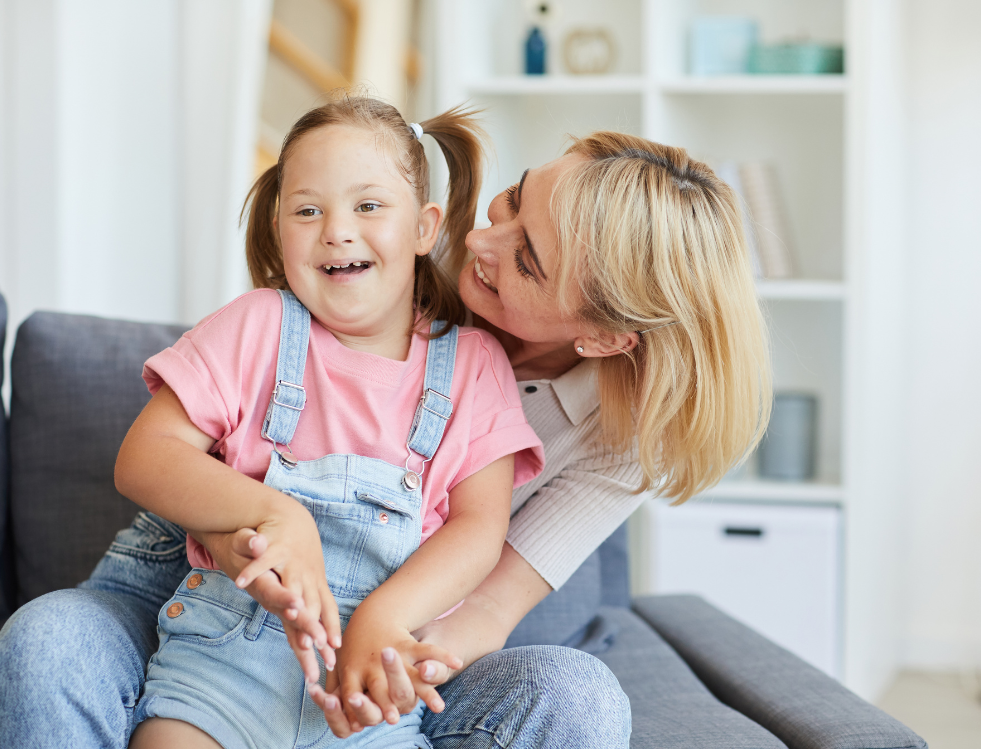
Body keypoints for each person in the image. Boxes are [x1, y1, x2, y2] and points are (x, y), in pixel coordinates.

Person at [0, 125, 771, 747]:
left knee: (580, 698)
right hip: (208, 575)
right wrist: (255, 524)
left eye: (527, 258)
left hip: (398, 616)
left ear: (605, 338)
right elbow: (176, 446)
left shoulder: (579, 421)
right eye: (509, 201)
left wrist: (381, 655)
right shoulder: (359, 267)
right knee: (48, 638)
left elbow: (483, 592)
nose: (479, 243)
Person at [113, 95, 545, 748]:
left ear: (425, 229)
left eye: (367, 205)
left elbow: (479, 526)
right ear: (279, 227)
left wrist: (384, 615)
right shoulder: (255, 324)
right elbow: (146, 456)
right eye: (307, 210)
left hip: (368, 685)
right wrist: (280, 515)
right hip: (220, 666)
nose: (336, 230)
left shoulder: (473, 365)